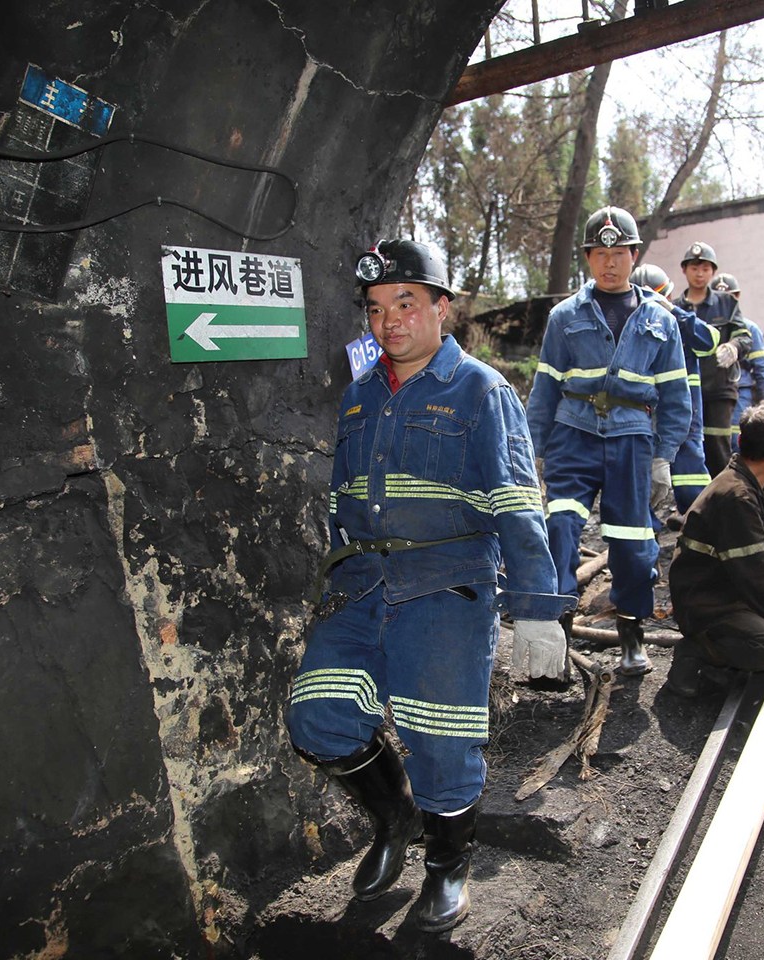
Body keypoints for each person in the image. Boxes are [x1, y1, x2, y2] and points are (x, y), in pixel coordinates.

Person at [286, 239, 573, 932]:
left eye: (407, 303)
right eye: (377, 308)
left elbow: (516, 502)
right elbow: (340, 501)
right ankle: (395, 819)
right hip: (362, 587)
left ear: (442, 308)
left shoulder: (480, 389)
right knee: (317, 716)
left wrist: (538, 610)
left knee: (442, 738)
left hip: (447, 586)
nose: (390, 321)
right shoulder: (359, 398)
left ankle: (447, 865)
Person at [527, 207, 692, 677]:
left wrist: (663, 459)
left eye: (619, 253)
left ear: (634, 255)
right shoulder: (564, 317)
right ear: (587, 257)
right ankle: (555, 635)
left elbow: (677, 397)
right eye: (600, 253)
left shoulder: (660, 321)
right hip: (572, 437)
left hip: (631, 443)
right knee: (559, 531)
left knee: (634, 543)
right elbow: (544, 390)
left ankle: (631, 634)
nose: (609, 262)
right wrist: (531, 459)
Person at [666, 405, 764, 697]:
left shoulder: (750, 484)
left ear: (741, 442)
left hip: (734, 593)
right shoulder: (736, 497)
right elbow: (755, 575)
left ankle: (739, 643)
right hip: (709, 604)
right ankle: (697, 650)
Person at [631, 262, 714, 520]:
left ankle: (700, 526)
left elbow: (708, 341)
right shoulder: (633, 328)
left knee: (690, 474)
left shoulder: (682, 321)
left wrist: (673, 311)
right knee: (644, 480)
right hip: (646, 416)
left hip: (684, 412)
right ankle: (649, 538)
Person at [678, 242, 751, 476]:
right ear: (684, 270)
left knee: (718, 446)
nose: (700, 274)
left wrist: (733, 347)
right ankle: (697, 503)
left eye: (705, 269)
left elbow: (745, 336)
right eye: (694, 268)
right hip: (686, 390)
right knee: (689, 447)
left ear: (713, 272)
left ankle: (726, 498)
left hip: (719, 387)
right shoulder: (676, 307)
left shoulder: (726, 303)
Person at [712, 273, 764, 448]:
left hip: (740, 392)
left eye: (729, 297)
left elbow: (761, 368)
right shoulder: (705, 327)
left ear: (737, 297)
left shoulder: (749, 329)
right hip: (713, 392)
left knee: (736, 439)